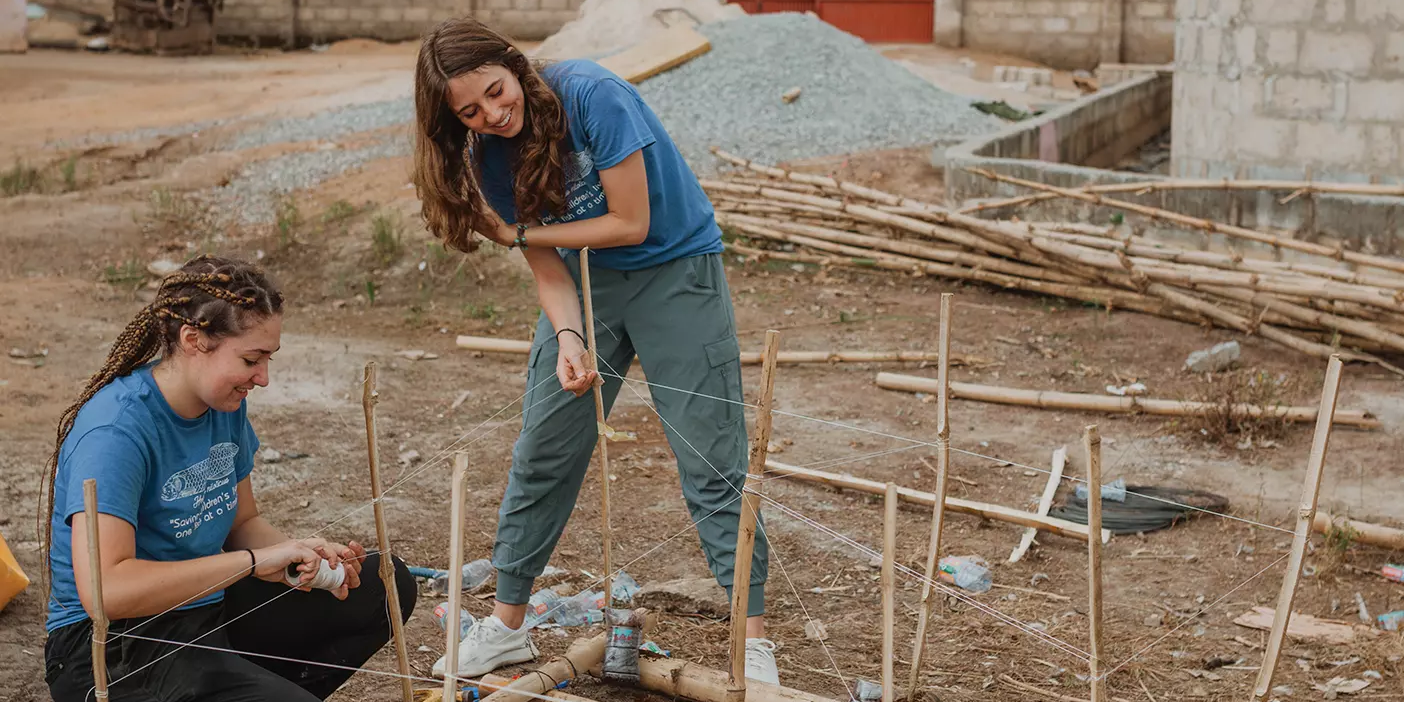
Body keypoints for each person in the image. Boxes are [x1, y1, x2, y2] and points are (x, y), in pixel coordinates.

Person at [412, 17, 777, 684]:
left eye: (497, 91)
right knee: (545, 446)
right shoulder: (487, 157)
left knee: (710, 456)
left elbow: (630, 221)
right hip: (586, 282)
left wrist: (523, 235)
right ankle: (507, 626)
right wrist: (572, 340)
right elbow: (548, 263)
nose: (494, 114)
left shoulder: (590, 94)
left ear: (513, 65)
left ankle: (751, 640)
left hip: (675, 270)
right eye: (470, 111)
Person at [40, 255, 417, 702]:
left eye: (268, 359)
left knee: (382, 584)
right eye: (251, 359)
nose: (263, 379)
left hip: (203, 611)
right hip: (111, 647)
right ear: (193, 339)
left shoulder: (224, 408)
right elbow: (109, 592)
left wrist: (300, 555)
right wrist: (256, 563)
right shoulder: (115, 431)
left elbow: (242, 524)